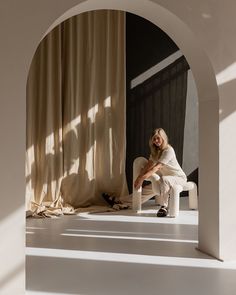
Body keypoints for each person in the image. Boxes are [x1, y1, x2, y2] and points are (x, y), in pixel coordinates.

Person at [134, 128, 187, 217]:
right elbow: (148, 165)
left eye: (158, 138)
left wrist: (142, 179)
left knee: (164, 179)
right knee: (145, 190)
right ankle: (120, 202)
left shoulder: (168, 150)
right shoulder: (156, 151)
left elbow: (157, 167)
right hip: (166, 181)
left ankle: (164, 206)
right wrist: (139, 176)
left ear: (163, 138)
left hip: (179, 178)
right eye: (154, 139)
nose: (156, 141)